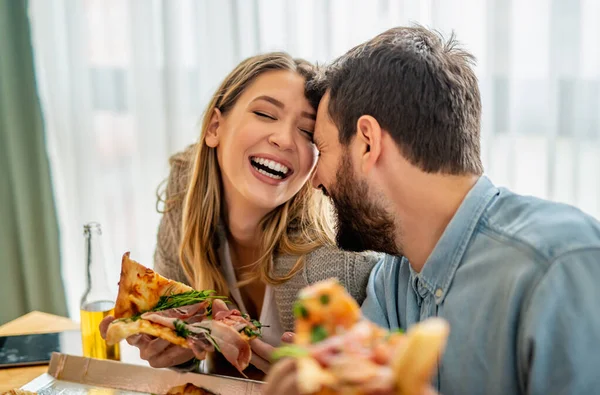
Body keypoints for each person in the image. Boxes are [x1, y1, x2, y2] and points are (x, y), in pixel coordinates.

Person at [264, 26, 600, 394]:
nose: (313, 181)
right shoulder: (391, 282)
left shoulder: (561, 264)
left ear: (367, 142)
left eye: (323, 150)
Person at [99, 52, 378, 375]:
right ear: (215, 126)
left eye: (307, 132)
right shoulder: (183, 202)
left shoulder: (337, 263)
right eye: (265, 113)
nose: (284, 139)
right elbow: (190, 359)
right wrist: (180, 352)